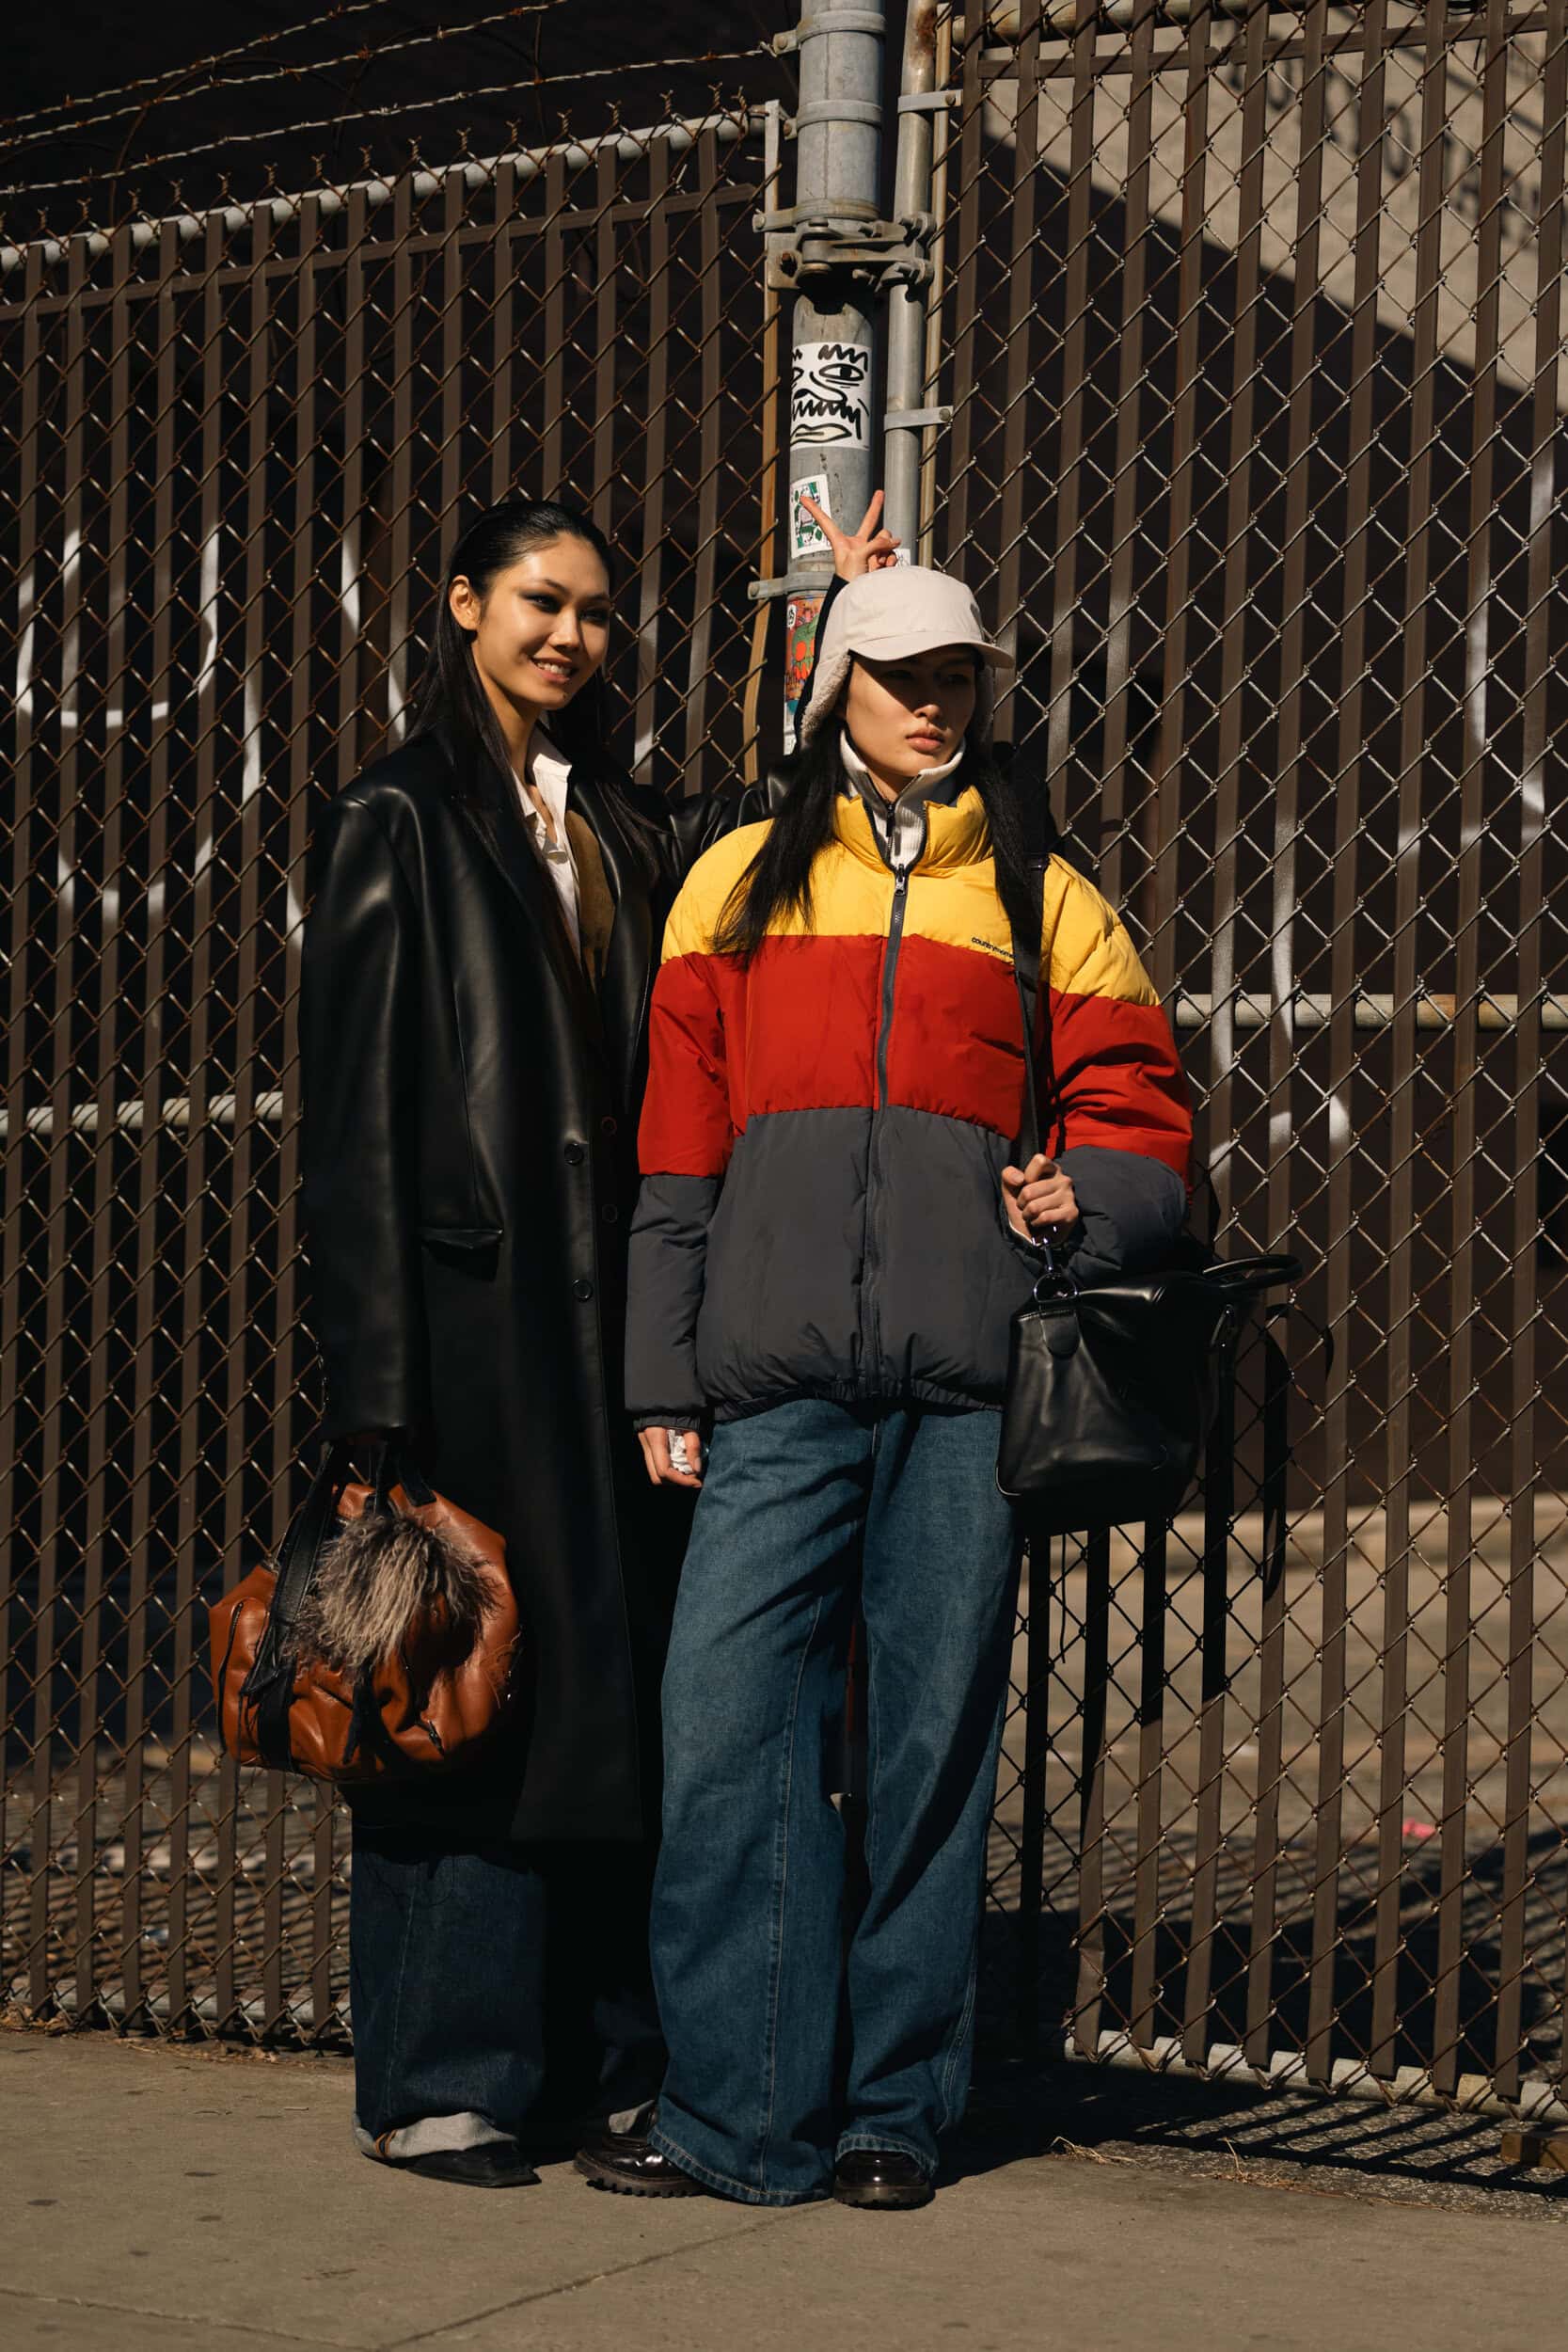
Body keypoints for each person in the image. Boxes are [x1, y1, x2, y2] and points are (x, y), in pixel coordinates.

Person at [576, 551, 1193, 2210]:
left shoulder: (1046, 897)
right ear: (834, 688)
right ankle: (736, 2113)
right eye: (901, 674)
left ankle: (890, 2117)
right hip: (770, 1388)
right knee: (724, 1729)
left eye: (957, 676)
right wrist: (662, 1382)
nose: (933, 703)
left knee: (929, 1747)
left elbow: (1144, 1110)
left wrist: (1089, 1195)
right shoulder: (736, 882)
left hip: (967, 1392)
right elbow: (677, 1152)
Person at [299, 496, 685, 2187]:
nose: (570, 635)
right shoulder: (398, 813)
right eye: (540, 600)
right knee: (454, 1689)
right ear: (464, 604)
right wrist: (380, 1388)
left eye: (594, 610)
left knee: (598, 1688)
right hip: (473, 1332)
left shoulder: (618, 818)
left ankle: (587, 2058)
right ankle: (441, 2076)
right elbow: (354, 1122)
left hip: (611, 1326)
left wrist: (835, 646)